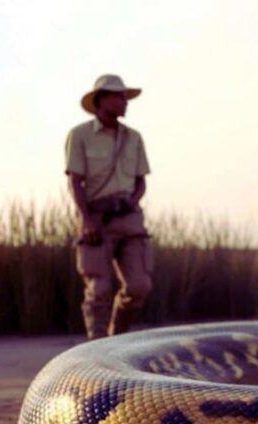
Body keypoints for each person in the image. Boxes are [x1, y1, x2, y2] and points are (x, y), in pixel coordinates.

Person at [65, 74, 152, 340]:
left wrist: (131, 204)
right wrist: (86, 219)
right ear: (101, 100)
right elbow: (75, 182)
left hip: (128, 219)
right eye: (118, 96)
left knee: (139, 286)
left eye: (125, 97)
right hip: (96, 218)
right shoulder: (79, 135)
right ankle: (97, 347)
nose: (124, 102)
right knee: (99, 289)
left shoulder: (134, 138)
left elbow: (141, 182)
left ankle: (117, 337)